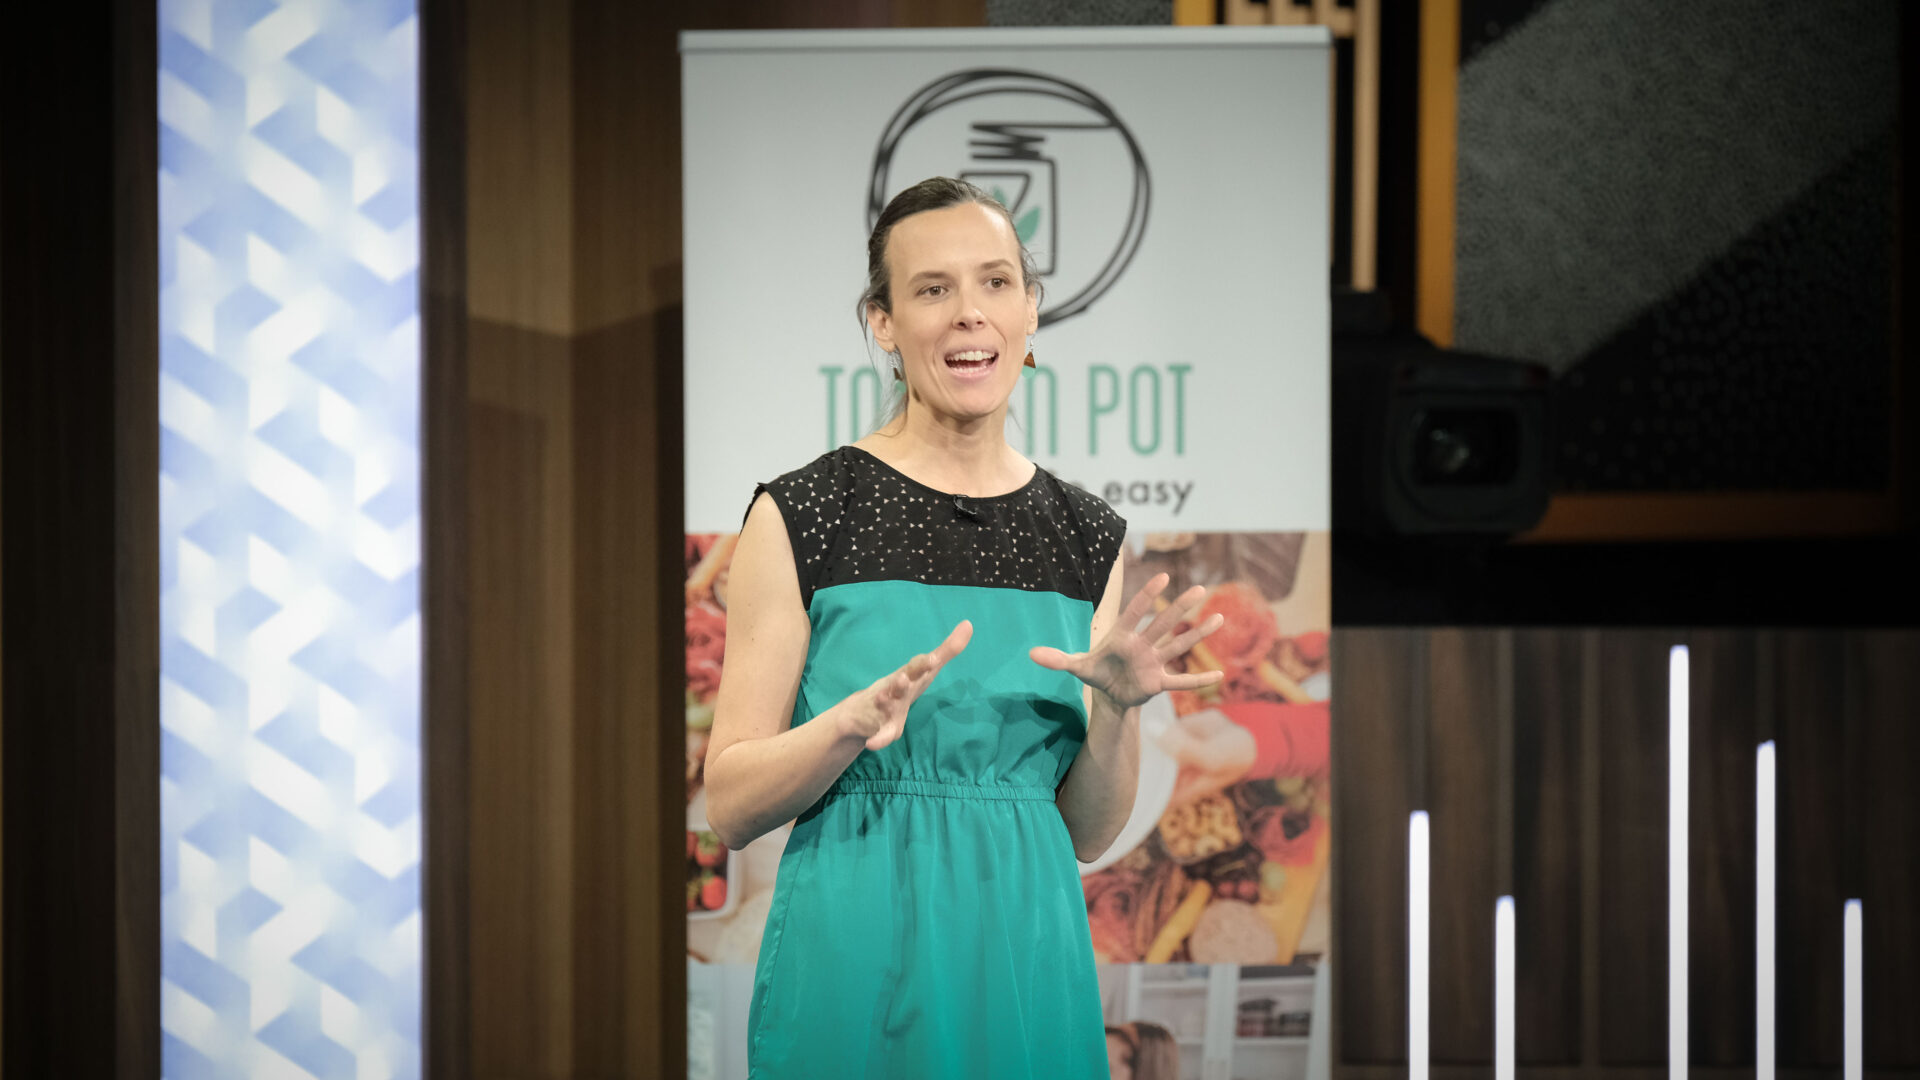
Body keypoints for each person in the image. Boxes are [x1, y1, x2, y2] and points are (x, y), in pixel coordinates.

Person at [702, 176, 1225, 1079]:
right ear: (884, 323)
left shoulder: (1086, 534)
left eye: (994, 283)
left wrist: (1121, 711)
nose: (967, 315)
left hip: (1027, 953)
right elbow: (730, 805)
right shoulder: (805, 514)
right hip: (855, 943)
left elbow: (1089, 834)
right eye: (931, 290)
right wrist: (845, 727)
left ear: (1030, 313)